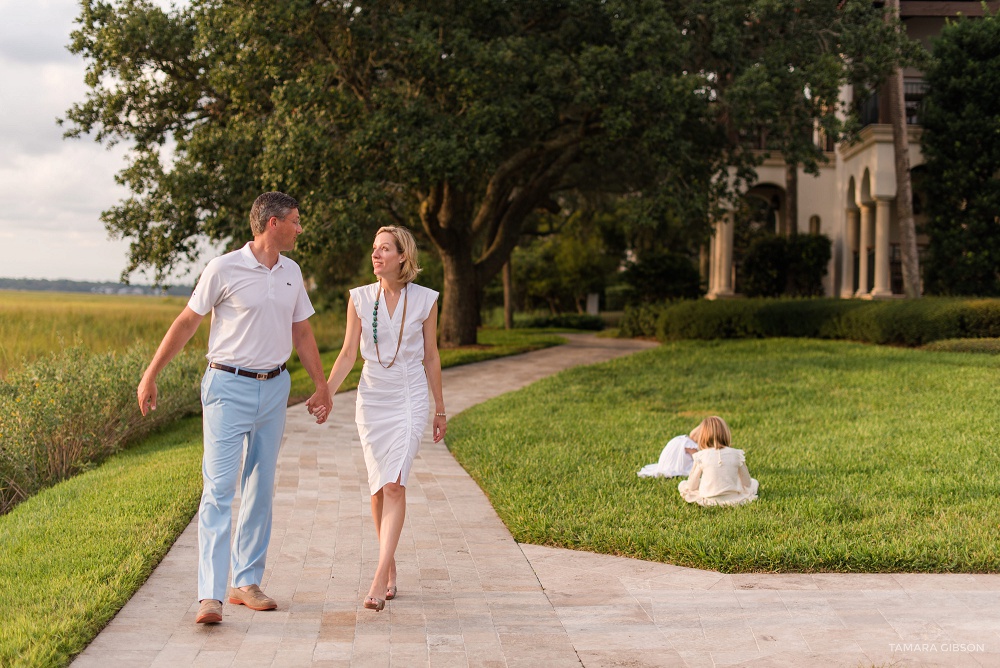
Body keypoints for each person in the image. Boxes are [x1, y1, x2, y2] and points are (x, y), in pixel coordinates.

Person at [136, 192, 333, 624]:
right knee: (220, 489)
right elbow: (187, 321)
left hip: (275, 387)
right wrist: (151, 374)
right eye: (296, 221)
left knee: (260, 487)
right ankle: (210, 595)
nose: (301, 228)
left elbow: (301, 332)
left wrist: (321, 385)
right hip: (227, 386)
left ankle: (246, 582)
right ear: (272, 224)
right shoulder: (223, 267)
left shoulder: (292, 272)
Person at [320, 225, 446, 613]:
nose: (376, 255)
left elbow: (431, 356)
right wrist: (325, 392)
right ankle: (389, 566)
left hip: (409, 396)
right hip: (372, 398)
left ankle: (377, 577)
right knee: (377, 488)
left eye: (385, 249)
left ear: (402, 257)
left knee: (395, 485)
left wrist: (439, 408)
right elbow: (345, 355)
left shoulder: (425, 300)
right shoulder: (359, 298)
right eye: (374, 248)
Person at [677, 416, 759, 507]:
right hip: (734, 499)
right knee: (754, 482)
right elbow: (747, 483)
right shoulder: (737, 454)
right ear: (726, 434)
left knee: (683, 485)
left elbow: (692, 486)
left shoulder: (701, 456)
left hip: (709, 499)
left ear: (702, 436)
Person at [637, 425, 702, 479]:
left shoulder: (681, 438)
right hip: (677, 468)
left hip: (666, 465)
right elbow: (700, 460)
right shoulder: (691, 445)